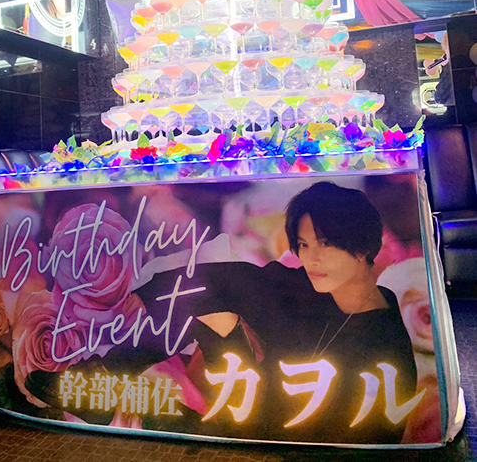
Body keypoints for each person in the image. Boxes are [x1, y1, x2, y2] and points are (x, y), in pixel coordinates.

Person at [27, 182, 418, 443]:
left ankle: (121, 398)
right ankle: (101, 381)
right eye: (303, 244)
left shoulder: (384, 342)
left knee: (201, 348)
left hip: (272, 434)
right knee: (200, 302)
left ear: (364, 246)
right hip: (246, 399)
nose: (311, 258)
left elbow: (371, 436)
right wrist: (143, 298)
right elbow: (229, 279)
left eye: (325, 244)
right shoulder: (307, 285)